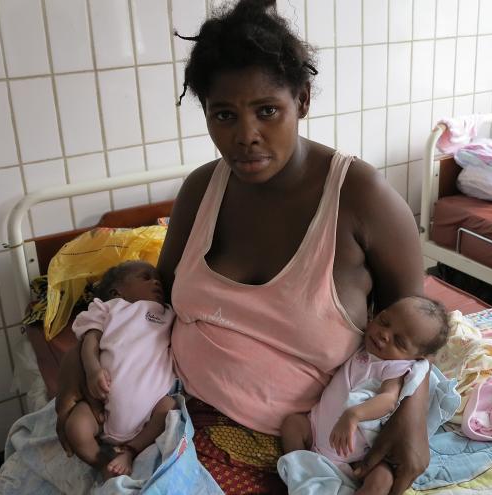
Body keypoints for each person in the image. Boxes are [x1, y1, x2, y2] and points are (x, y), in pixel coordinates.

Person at [55, 1, 429, 493]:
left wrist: (412, 417)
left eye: (267, 111)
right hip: (173, 414)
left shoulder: (363, 199)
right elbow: (155, 300)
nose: (246, 136)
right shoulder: (199, 192)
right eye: (224, 115)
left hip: (310, 436)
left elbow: (420, 331)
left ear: (303, 99)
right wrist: (78, 364)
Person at [280, 296, 449, 495]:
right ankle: (299, 469)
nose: (384, 335)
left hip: (357, 456)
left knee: (383, 478)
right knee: (292, 424)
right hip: (315, 431)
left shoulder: (396, 367)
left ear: (418, 357)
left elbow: (388, 399)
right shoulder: (362, 344)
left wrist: (354, 415)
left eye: (399, 341)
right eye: (384, 322)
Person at [63, 261, 177, 479]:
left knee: (169, 407)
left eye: (157, 279)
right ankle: (101, 463)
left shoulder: (168, 312)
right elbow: (90, 342)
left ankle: (130, 451)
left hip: (150, 411)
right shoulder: (109, 308)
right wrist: (93, 370)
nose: (156, 281)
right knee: (75, 428)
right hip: (101, 408)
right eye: (145, 277)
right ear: (117, 292)